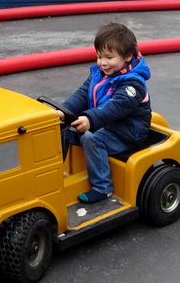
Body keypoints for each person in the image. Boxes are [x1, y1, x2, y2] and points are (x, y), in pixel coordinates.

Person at [59, 22, 152, 203]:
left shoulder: (133, 84)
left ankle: (103, 187)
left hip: (127, 132)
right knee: (64, 130)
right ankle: (54, 175)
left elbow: (115, 107)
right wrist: (64, 111)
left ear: (127, 56)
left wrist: (90, 119)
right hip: (106, 124)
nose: (103, 62)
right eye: (99, 56)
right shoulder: (101, 74)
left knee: (91, 138)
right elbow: (82, 94)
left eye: (109, 57)